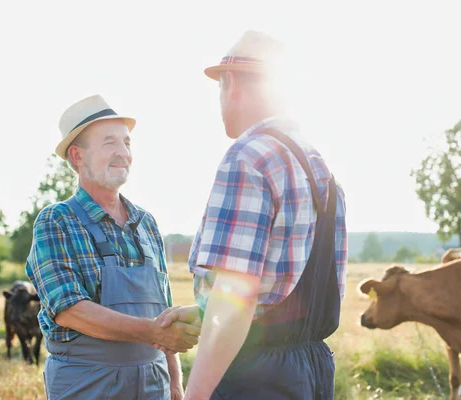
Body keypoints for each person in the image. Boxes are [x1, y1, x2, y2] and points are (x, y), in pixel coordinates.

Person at [171, 30, 348, 399]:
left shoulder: (248, 158)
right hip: (313, 366)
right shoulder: (319, 167)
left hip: (256, 374)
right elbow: (286, 288)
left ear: (231, 84)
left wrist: (195, 394)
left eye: (219, 87)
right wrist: (205, 313)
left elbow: (237, 296)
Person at [26, 94, 200, 400]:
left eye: (127, 143)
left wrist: (175, 385)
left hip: (153, 385)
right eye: (109, 143)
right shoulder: (56, 221)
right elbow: (69, 310)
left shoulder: (146, 223)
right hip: (87, 386)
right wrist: (152, 332)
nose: (123, 153)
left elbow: (163, 311)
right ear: (77, 156)